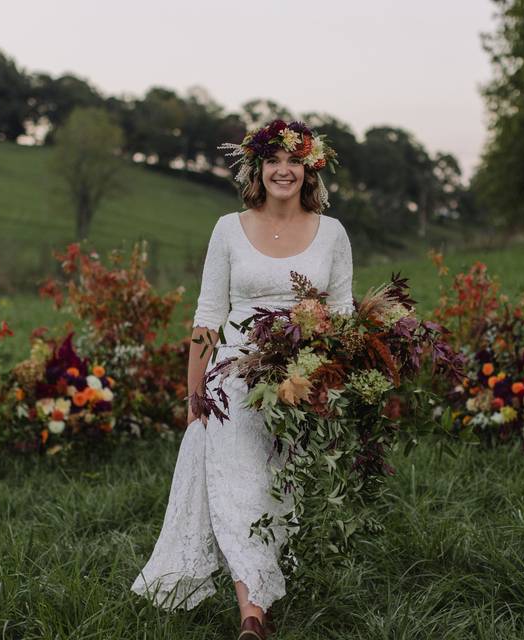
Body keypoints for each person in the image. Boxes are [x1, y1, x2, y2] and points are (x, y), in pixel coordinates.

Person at [130, 119, 353, 639]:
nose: (283, 170)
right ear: (258, 168)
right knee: (239, 487)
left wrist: (329, 383)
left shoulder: (333, 233)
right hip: (232, 378)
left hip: (301, 378)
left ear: (308, 168)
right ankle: (251, 616)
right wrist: (194, 394)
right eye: (273, 161)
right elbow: (208, 316)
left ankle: (264, 587)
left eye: (293, 161)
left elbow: (341, 315)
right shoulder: (228, 229)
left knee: (278, 489)